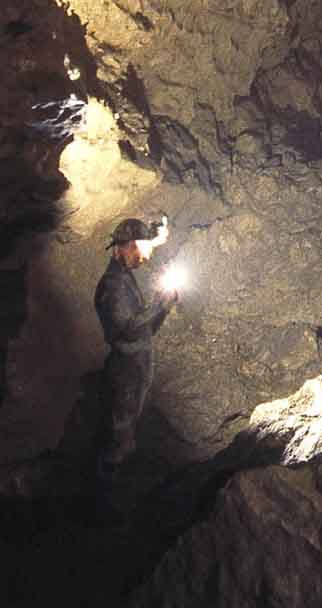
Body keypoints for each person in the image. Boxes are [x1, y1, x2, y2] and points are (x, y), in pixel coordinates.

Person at [93, 216, 179, 520]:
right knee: (119, 434)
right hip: (126, 368)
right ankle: (103, 505)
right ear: (125, 248)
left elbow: (142, 329)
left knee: (126, 428)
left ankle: (114, 491)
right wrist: (159, 303)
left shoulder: (123, 272)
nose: (145, 257)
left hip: (137, 362)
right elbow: (126, 328)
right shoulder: (112, 287)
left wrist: (163, 306)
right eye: (140, 250)